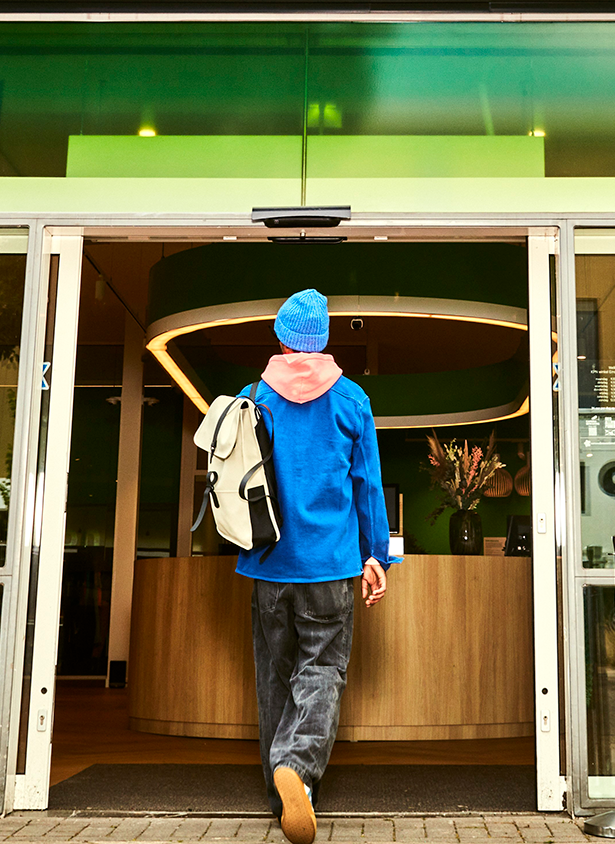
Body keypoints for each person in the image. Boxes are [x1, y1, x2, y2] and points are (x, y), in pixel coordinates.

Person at [234, 287, 394, 844]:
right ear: (322, 341)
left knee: (275, 679)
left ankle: (281, 792)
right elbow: (368, 486)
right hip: (330, 567)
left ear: (282, 338)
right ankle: (297, 773)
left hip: (267, 565)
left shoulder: (253, 398)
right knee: (321, 672)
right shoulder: (352, 400)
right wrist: (376, 556)